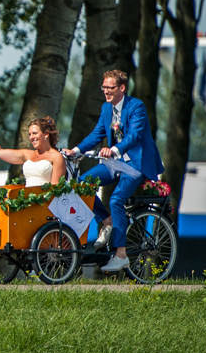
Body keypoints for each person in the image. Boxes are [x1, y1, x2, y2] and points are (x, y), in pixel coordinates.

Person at [62, 69, 163, 274]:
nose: (106, 91)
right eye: (104, 87)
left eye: (110, 87)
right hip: (116, 163)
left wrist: (114, 149)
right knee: (82, 184)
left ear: (122, 88)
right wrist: (76, 150)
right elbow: (98, 132)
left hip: (136, 164)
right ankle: (106, 221)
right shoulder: (106, 109)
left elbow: (134, 135)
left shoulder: (136, 107)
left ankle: (121, 255)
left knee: (116, 199)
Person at [0, 115, 67, 187]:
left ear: (46, 134)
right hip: (27, 205)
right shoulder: (27, 154)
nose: (31, 137)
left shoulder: (57, 157)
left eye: (34, 133)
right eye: (29, 134)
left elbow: (56, 190)